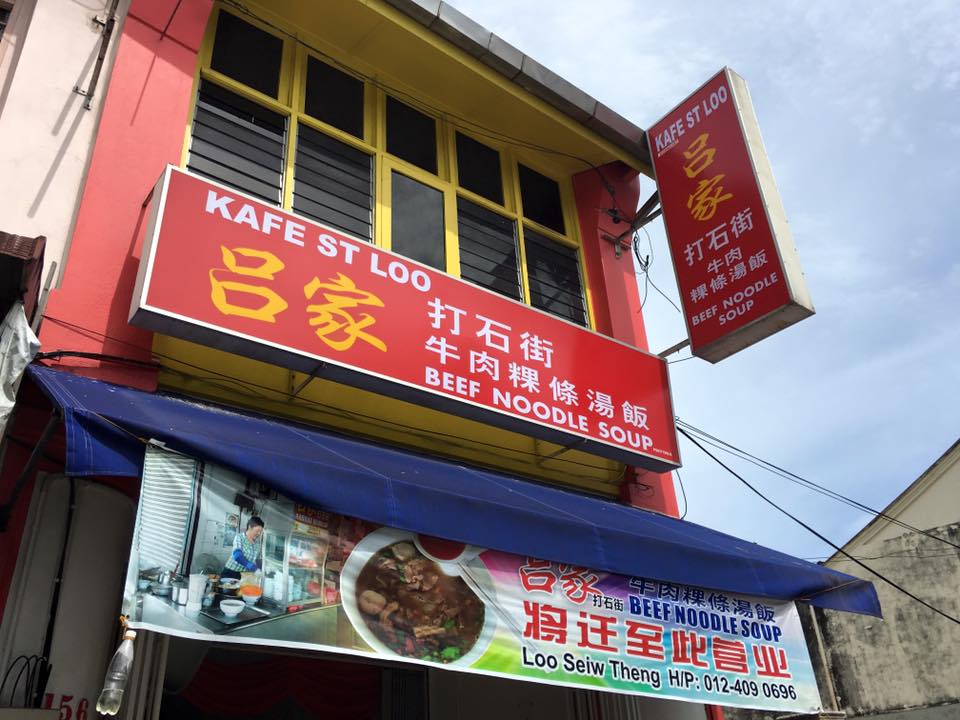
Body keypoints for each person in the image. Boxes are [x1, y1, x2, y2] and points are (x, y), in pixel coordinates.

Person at [222, 516, 264, 580]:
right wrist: (254, 568)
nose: (259, 533)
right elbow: (237, 556)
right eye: (258, 531)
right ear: (250, 527)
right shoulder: (240, 537)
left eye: (260, 532)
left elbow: (258, 560)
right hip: (230, 573)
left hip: (244, 575)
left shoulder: (257, 544)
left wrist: (264, 569)